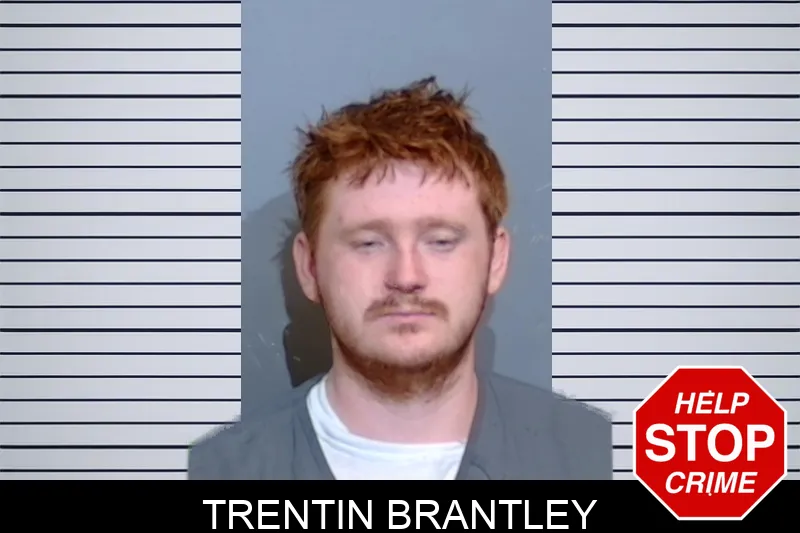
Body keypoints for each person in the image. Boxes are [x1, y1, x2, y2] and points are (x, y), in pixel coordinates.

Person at [188, 77, 612, 480]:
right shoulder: (213, 473)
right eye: (369, 243)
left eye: (441, 241)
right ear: (309, 266)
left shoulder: (598, 458)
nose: (406, 276)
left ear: (496, 259)